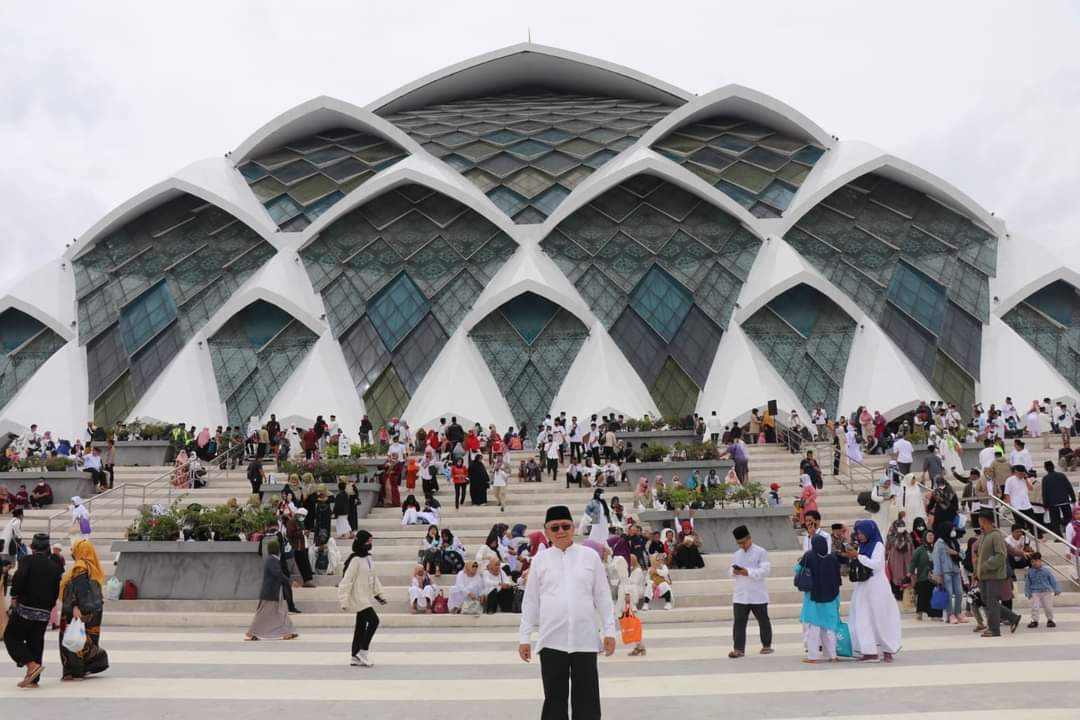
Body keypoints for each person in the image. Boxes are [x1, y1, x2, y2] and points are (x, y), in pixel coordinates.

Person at [518, 505, 615, 720]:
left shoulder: (590, 557)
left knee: (587, 700)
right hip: (552, 640)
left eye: (565, 526)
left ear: (573, 528)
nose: (560, 531)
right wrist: (524, 637)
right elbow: (531, 601)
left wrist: (610, 632)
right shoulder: (540, 561)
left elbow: (603, 597)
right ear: (546, 532)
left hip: (585, 640)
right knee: (554, 700)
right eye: (555, 527)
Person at [4, 533, 62, 688]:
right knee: (36, 642)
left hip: (26, 609)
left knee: (11, 637)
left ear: (31, 546)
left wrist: (14, 596)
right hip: (44, 612)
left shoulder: (27, 561)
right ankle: (33, 680)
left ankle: (31, 665)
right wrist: (48, 608)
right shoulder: (54, 567)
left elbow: (20, 577)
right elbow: (56, 591)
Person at [846, 519, 902, 662]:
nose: (860, 536)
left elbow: (876, 565)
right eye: (858, 533)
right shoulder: (862, 546)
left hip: (877, 587)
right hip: (864, 587)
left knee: (880, 618)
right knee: (863, 618)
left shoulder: (878, 545)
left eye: (862, 533)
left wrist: (858, 556)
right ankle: (869, 650)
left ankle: (887, 649)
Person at [57, 539, 108, 680]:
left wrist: (74, 606)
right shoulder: (94, 567)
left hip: (77, 610)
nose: (73, 552)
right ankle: (83, 668)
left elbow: (78, 589)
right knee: (86, 639)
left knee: (72, 639)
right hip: (93, 611)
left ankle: (73, 672)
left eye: (75, 549)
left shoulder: (80, 567)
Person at [338, 531, 386, 666]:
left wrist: (379, 595)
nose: (370, 544)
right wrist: (344, 599)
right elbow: (346, 581)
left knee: (360, 626)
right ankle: (363, 651)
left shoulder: (369, 559)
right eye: (368, 541)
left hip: (366, 597)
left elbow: (374, 578)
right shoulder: (355, 560)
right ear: (361, 542)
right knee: (374, 621)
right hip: (358, 598)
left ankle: (354, 656)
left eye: (371, 541)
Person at [973, 509, 1022, 637]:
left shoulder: (996, 535)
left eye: (979, 519)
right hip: (983, 575)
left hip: (994, 575)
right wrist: (978, 570)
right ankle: (1013, 617)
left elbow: (1001, 555)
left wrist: (985, 566)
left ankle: (994, 629)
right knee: (987, 601)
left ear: (983, 520)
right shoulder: (984, 535)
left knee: (991, 601)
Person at [795, 534, 841, 663]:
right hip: (831, 597)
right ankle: (833, 655)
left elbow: (797, 569)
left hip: (813, 598)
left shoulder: (809, 556)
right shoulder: (832, 558)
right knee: (829, 628)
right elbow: (838, 578)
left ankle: (813, 657)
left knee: (814, 628)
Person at [728, 525, 773, 658]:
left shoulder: (761, 552)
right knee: (739, 622)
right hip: (741, 594)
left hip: (757, 593)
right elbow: (730, 571)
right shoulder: (736, 555)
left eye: (743, 542)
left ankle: (766, 645)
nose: (742, 545)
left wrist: (748, 572)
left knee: (763, 620)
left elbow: (765, 570)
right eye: (739, 543)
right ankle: (738, 649)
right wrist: (735, 571)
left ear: (749, 539)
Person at [245, 540, 298, 642]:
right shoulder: (272, 560)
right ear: (277, 549)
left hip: (275, 592)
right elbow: (277, 573)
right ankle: (251, 633)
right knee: (263, 614)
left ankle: (287, 633)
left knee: (282, 611)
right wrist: (290, 582)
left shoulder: (272, 559)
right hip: (270, 593)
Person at [932, 523, 966, 623]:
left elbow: (963, 556)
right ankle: (950, 615)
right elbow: (936, 559)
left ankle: (958, 613)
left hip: (955, 570)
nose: (953, 531)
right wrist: (938, 574)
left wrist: (955, 553)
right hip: (945, 572)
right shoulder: (939, 543)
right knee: (949, 593)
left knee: (959, 592)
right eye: (951, 529)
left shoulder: (954, 541)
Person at [1024, 552, 1061, 628]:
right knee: (1035, 607)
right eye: (1033, 561)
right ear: (1031, 562)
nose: (1035, 563)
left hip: (1046, 591)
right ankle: (1035, 621)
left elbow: (1052, 580)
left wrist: (1056, 589)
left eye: (1037, 561)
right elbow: (1027, 583)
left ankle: (1050, 620)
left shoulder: (1046, 571)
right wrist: (1028, 592)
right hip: (1035, 592)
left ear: (1041, 561)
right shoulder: (1029, 572)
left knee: (1048, 607)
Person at [1041, 460, 1076, 537]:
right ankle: (1071, 533)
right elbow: (1069, 487)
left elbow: (1044, 492)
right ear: (1053, 467)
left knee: (1054, 520)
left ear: (1045, 468)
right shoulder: (1061, 475)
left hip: (1052, 503)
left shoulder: (1045, 478)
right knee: (1069, 518)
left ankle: (1058, 536)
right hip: (1064, 501)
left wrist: (1045, 505)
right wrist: (1073, 498)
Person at [909, 529, 934, 620]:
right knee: (923, 595)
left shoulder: (936, 548)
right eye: (929, 536)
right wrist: (910, 573)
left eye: (932, 536)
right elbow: (913, 562)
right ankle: (919, 613)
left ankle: (933, 614)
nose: (931, 537)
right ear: (925, 537)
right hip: (923, 576)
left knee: (933, 595)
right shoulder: (920, 549)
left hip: (935, 577)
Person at [1004, 464, 1036, 532]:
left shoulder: (1026, 479)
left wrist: (1026, 479)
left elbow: (1031, 488)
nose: (1021, 475)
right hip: (1016, 506)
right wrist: (1009, 504)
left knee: (1032, 523)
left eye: (1023, 473)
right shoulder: (1010, 480)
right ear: (1016, 472)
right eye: (1020, 474)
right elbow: (1007, 493)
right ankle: (1022, 538)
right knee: (1020, 524)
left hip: (1027, 505)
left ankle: (1037, 536)